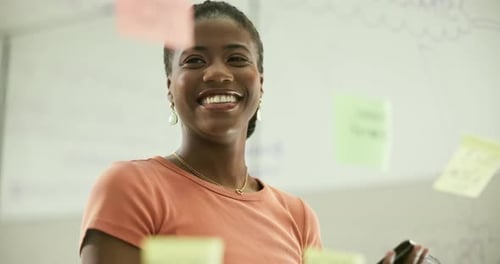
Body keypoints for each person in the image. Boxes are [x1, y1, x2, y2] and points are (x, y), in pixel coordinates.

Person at [79, 1, 430, 263]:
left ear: (260, 85)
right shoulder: (132, 187)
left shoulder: (298, 216)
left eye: (236, 59)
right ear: (170, 88)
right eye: (194, 61)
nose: (217, 73)